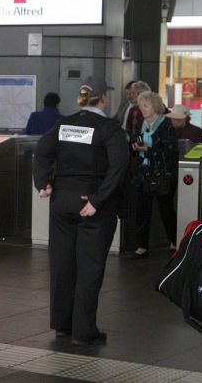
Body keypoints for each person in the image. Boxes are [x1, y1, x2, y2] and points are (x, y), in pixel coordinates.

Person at [33, 76, 128, 346]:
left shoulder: (63, 124)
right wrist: (97, 200)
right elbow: (118, 167)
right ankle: (84, 331)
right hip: (92, 205)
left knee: (62, 265)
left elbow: (41, 152)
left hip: (62, 202)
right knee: (90, 267)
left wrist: (44, 183)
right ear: (104, 98)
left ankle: (62, 324)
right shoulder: (109, 128)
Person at [130, 91, 179, 259]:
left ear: (155, 106)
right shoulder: (140, 125)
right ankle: (141, 245)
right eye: (140, 105)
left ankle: (174, 241)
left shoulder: (167, 126)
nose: (142, 109)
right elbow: (134, 146)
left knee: (166, 210)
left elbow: (171, 152)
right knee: (142, 210)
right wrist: (135, 148)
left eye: (146, 105)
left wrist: (148, 150)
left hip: (163, 174)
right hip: (144, 174)